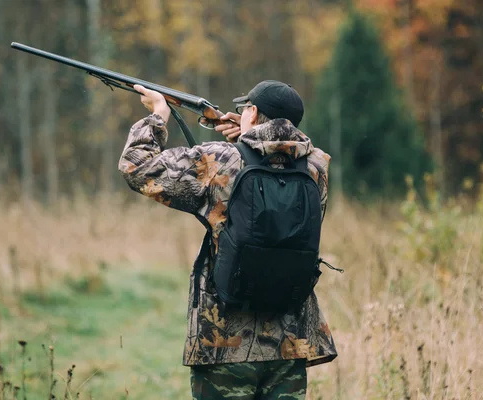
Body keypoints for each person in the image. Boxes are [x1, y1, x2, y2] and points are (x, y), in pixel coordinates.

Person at [118, 80, 337, 400]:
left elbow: (137, 167)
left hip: (224, 345)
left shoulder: (221, 159)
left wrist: (158, 115)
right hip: (290, 343)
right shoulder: (316, 166)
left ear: (251, 111)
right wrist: (253, 133)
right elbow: (289, 148)